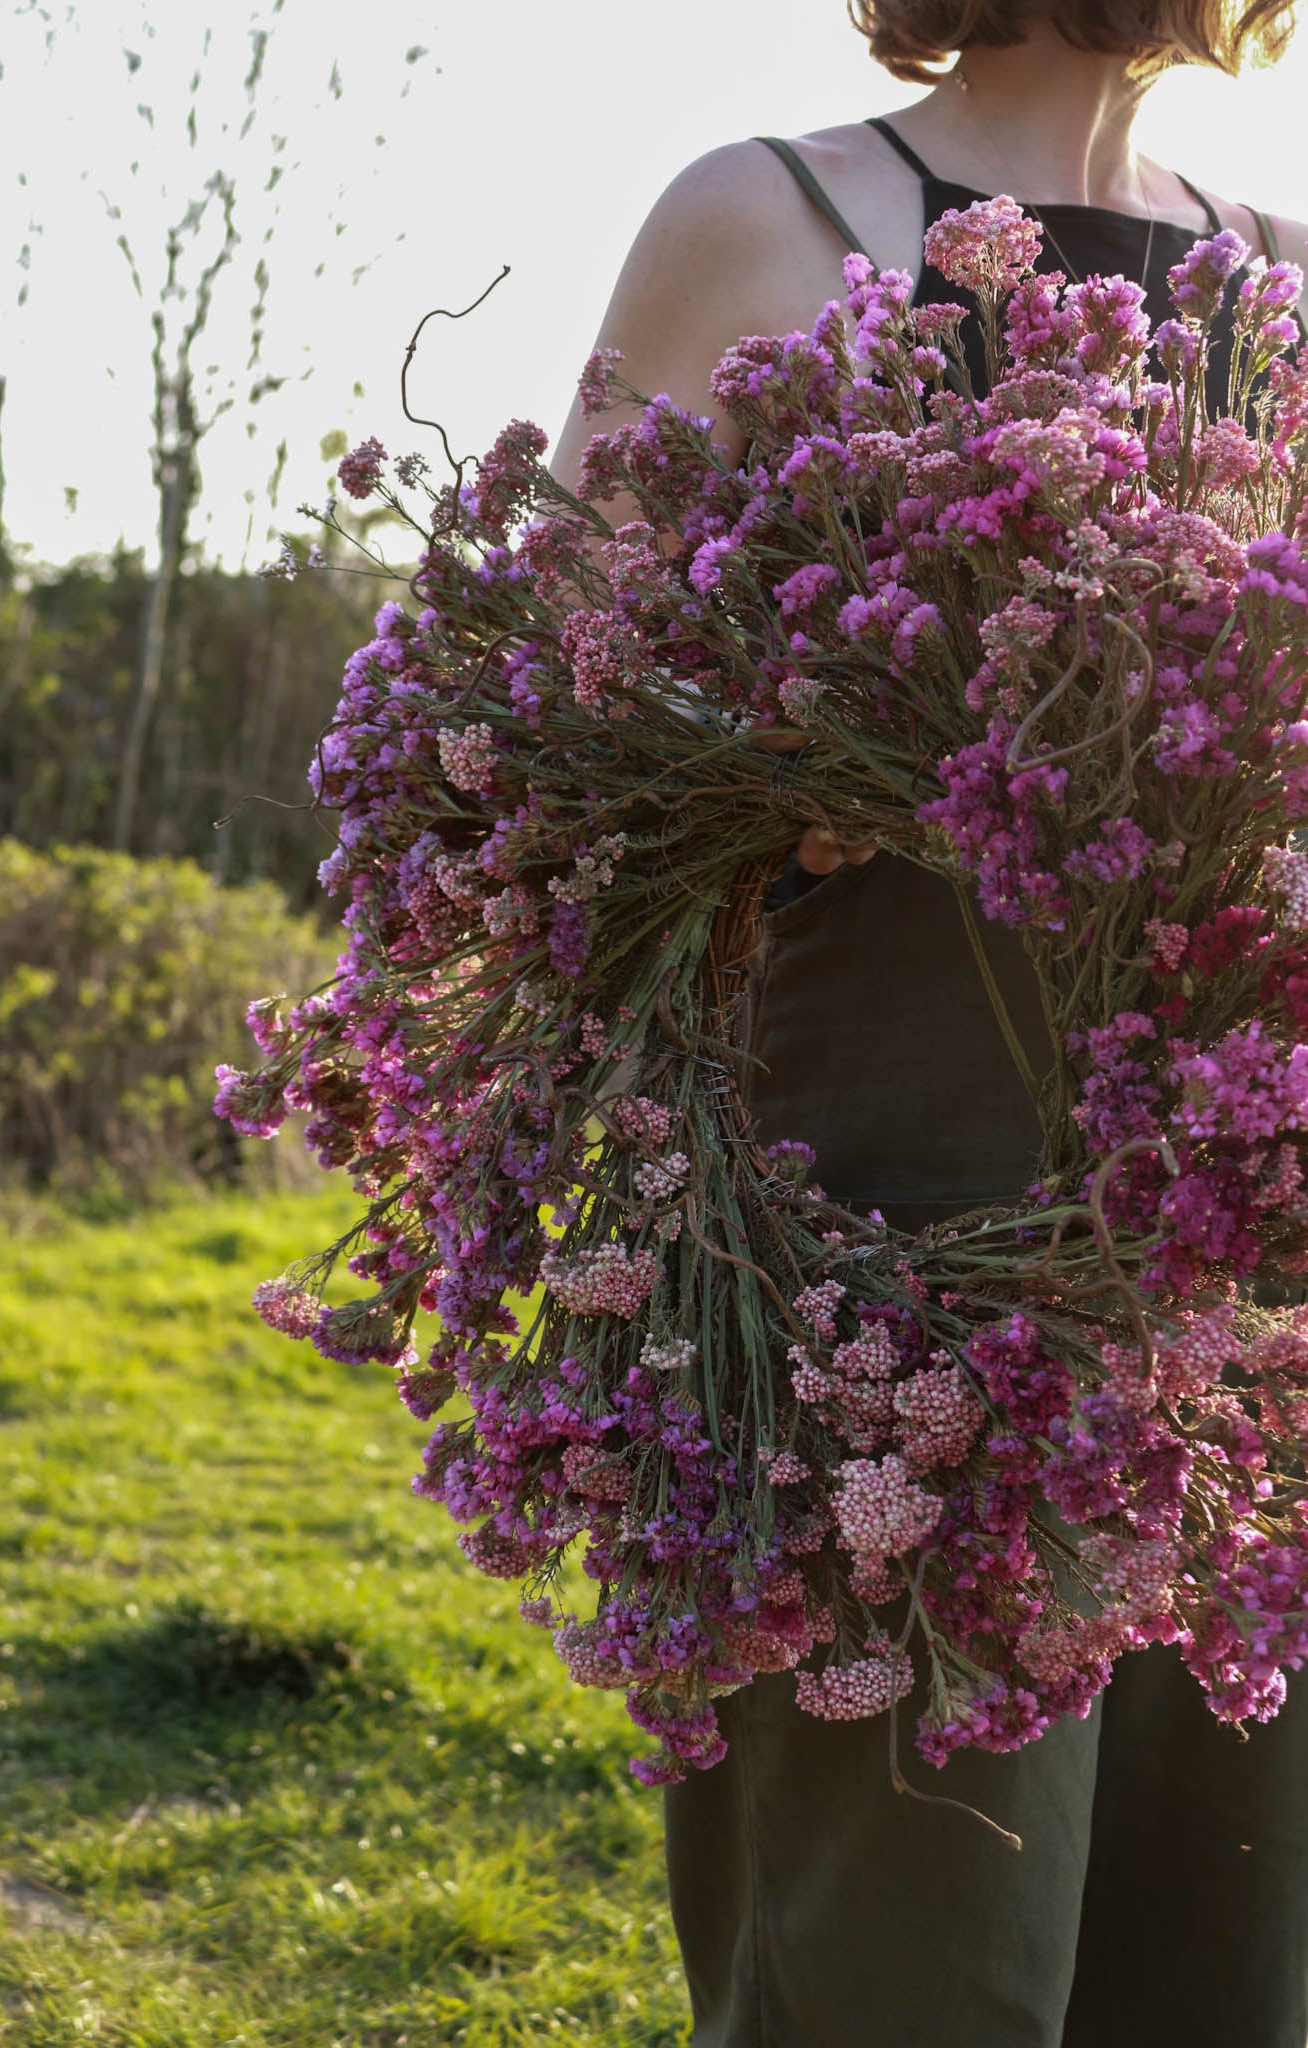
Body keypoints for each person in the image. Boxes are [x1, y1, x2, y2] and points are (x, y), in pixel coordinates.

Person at [549, 5, 1308, 2045]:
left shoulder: (1277, 282)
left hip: (1220, 1331)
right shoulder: (766, 220)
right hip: (864, 1290)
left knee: (1219, 1977)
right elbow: (526, 761)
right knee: (901, 1990)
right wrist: (764, 769)